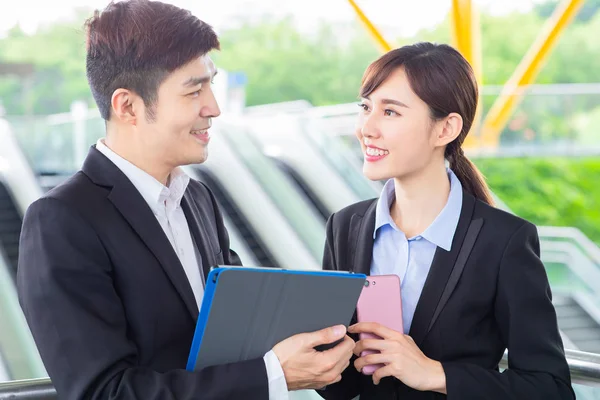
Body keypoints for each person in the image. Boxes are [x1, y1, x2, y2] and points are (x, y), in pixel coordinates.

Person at [16, 1, 354, 399]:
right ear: (128, 106)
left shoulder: (198, 199)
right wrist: (273, 376)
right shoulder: (62, 221)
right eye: (194, 90)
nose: (213, 107)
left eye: (210, 83)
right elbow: (103, 392)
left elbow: (242, 332)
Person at [317, 42, 575, 400]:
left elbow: (551, 388)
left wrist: (435, 374)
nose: (366, 128)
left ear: (445, 129)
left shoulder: (504, 243)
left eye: (390, 112)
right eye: (365, 107)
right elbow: (340, 387)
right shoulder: (346, 226)